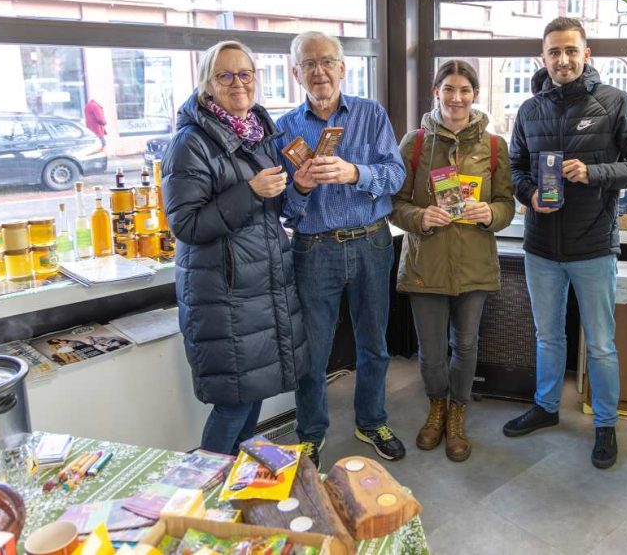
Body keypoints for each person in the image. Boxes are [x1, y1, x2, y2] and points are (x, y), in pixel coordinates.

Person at [505, 17, 627, 469]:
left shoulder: (615, 104)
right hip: (540, 246)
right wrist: (529, 193)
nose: (563, 59)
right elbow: (515, 168)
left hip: (593, 245)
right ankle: (547, 407)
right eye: (554, 52)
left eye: (571, 50)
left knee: (600, 344)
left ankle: (606, 424)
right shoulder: (529, 110)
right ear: (543, 58)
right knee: (548, 336)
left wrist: (593, 172)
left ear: (586, 54)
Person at [162, 40, 309, 456]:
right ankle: (202, 493)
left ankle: (234, 493)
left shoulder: (260, 134)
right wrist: (250, 190)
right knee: (233, 407)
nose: (237, 83)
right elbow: (186, 224)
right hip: (224, 294)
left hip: (260, 288)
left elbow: (270, 208)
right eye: (225, 75)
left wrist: (296, 187)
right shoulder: (189, 142)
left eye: (245, 74)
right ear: (208, 84)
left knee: (251, 401)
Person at [276, 31, 407, 469]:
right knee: (311, 352)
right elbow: (283, 210)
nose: (319, 71)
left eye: (327, 61)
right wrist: (298, 186)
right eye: (309, 63)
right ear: (296, 73)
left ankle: (371, 422)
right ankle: (310, 433)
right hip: (314, 250)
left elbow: (395, 175)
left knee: (375, 345)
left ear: (342, 67)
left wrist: (356, 172)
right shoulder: (284, 129)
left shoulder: (371, 114)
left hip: (372, 241)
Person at [390, 60, 514, 462]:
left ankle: (458, 411)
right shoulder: (415, 143)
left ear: (475, 94)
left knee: (466, 343)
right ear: (436, 91)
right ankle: (436, 407)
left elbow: (506, 204)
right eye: (449, 89)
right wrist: (419, 217)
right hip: (427, 264)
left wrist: (490, 214)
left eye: (464, 90)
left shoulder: (495, 146)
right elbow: (394, 204)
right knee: (431, 351)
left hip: (474, 265)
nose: (456, 98)